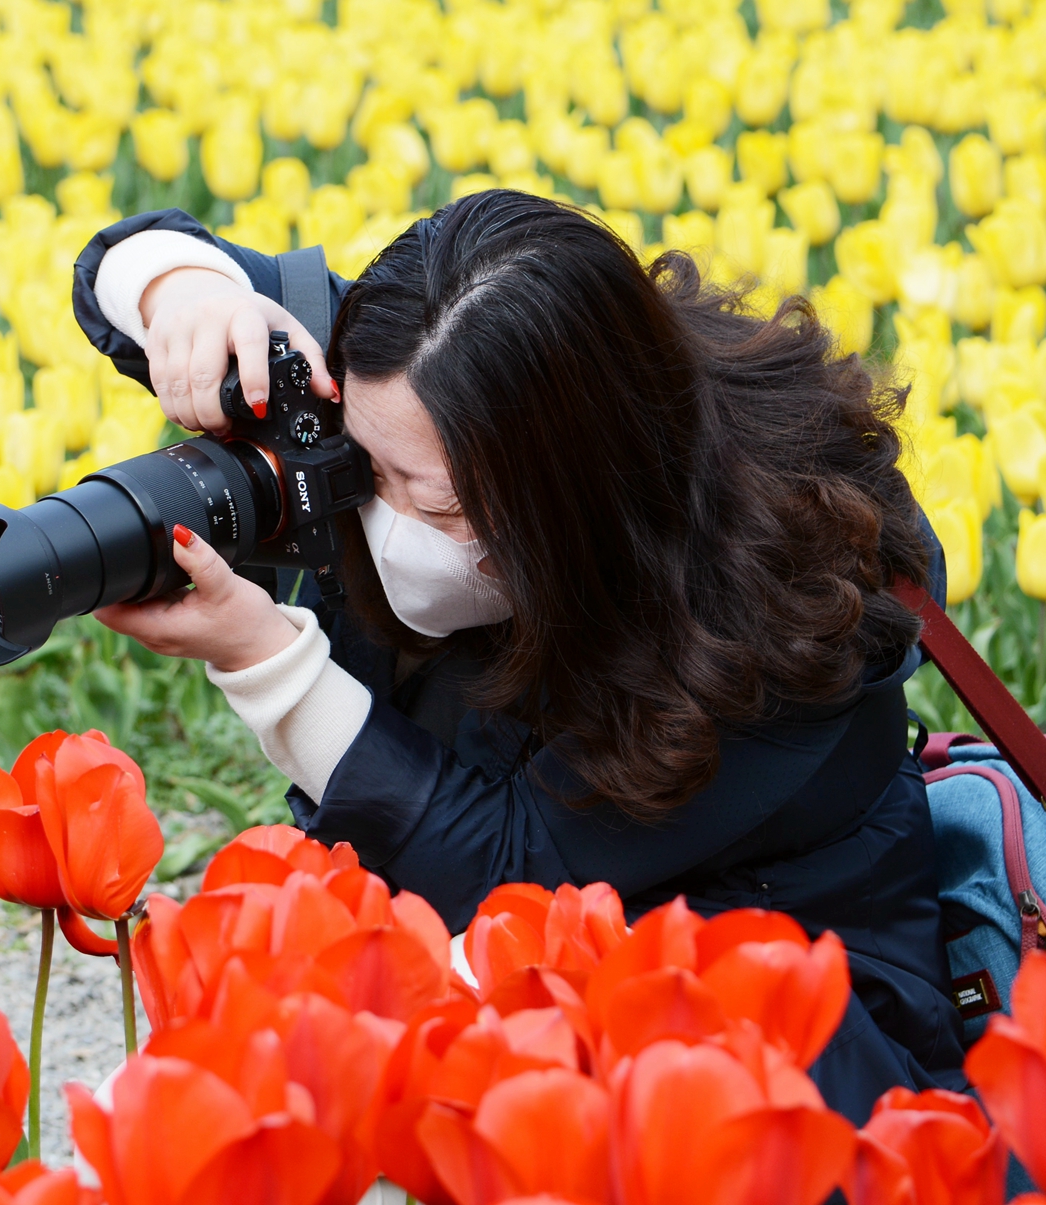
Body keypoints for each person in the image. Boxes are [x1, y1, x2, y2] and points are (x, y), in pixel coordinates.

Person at [70, 188, 966, 1122]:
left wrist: (270, 663)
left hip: (776, 1041)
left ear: (572, 497)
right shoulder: (418, 361)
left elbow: (513, 871)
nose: (383, 522)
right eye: (361, 467)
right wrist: (187, 296)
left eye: (439, 504)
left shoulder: (792, 607)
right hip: (526, 977)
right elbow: (127, 257)